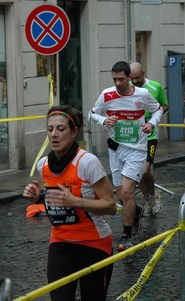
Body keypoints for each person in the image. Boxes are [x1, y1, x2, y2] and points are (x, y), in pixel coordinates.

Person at [23, 105, 116, 301]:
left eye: (61, 129)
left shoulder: (87, 162)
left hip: (94, 244)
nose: (54, 135)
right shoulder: (44, 165)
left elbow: (110, 206)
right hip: (60, 243)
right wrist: (38, 198)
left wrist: (76, 201)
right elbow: (57, 201)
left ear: (74, 132)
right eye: (50, 129)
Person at [89, 61, 163, 251]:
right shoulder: (107, 95)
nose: (118, 83)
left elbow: (158, 109)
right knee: (122, 196)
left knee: (128, 191)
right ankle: (136, 211)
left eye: (121, 79)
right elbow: (92, 114)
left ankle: (125, 235)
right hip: (115, 149)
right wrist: (105, 120)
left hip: (136, 149)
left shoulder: (142, 95)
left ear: (130, 78)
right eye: (114, 79)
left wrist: (151, 124)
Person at [129, 62, 169, 216]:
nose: (134, 82)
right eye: (131, 78)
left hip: (150, 135)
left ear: (144, 73)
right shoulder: (127, 89)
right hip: (134, 136)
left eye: (137, 78)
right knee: (138, 173)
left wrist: (154, 115)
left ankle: (153, 195)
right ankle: (149, 200)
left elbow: (165, 105)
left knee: (145, 171)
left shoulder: (155, 87)